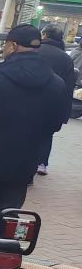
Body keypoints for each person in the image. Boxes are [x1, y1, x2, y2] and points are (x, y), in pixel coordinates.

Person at [0, 25, 68, 211]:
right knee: (10, 215)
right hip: (23, 163)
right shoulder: (57, 84)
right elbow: (55, 125)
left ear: (12, 46)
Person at [35, 25, 78, 175]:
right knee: (46, 134)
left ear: (44, 35)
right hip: (53, 103)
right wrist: (64, 113)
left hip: (30, 99)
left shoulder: (35, 51)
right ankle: (42, 163)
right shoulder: (66, 58)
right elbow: (68, 87)